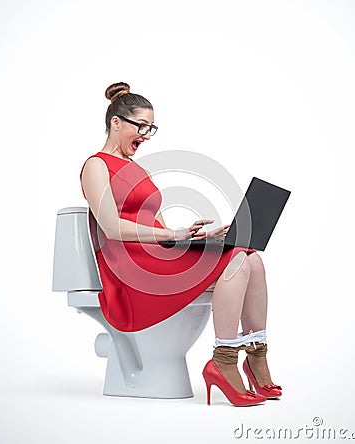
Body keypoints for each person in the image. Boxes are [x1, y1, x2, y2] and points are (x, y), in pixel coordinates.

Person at [80, 82, 282, 407]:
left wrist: (195, 238)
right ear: (116, 122)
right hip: (128, 267)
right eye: (141, 126)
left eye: (150, 128)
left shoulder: (138, 170)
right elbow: (111, 226)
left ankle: (256, 356)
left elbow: (158, 226)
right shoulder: (97, 165)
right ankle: (224, 360)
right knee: (237, 262)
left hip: (156, 255)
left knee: (251, 257)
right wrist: (171, 237)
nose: (145, 135)